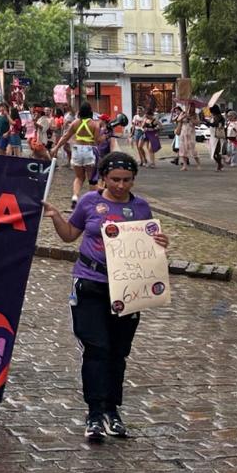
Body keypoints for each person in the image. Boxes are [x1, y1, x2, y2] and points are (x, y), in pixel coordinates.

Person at [41, 151, 169, 442]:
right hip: (91, 283)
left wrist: (162, 242)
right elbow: (69, 235)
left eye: (126, 180)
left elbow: (148, 247)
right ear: (103, 177)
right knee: (96, 348)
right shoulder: (89, 202)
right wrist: (56, 217)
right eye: (115, 180)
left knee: (118, 352)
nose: (121, 186)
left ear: (134, 179)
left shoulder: (141, 208)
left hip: (127, 288)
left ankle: (113, 410)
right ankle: (95, 413)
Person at [52, 103, 105, 209]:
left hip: (76, 150)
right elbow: (97, 141)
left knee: (79, 177)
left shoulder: (75, 123)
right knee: (91, 179)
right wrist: (104, 136)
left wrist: (56, 148)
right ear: (90, 112)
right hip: (89, 150)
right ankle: (92, 202)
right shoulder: (94, 124)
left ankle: (75, 197)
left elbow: (66, 136)